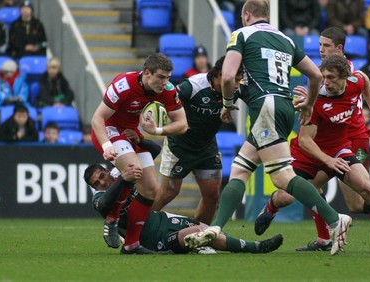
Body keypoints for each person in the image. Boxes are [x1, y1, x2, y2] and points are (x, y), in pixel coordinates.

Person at [184, 0, 352, 256]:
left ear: (247, 15)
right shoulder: (285, 39)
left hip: (265, 107)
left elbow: (228, 76)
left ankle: (334, 219)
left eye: (243, 18)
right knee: (240, 170)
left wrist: (227, 104)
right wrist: (309, 103)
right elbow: (316, 76)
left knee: (282, 176)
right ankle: (215, 229)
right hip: (283, 107)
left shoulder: (241, 34)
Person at [256, 26, 370, 252]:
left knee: (360, 199)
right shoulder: (317, 95)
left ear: (339, 50)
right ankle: (316, 235)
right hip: (317, 147)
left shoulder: (350, 77)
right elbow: (306, 136)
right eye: (319, 45)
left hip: (352, 139)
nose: (320, 50)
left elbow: (363, 80)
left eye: (326, 46)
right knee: (291, 196)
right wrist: (307, 101)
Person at [90, 53, 188, 254]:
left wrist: (157, 131)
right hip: (109, 130)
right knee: (134, 170)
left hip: (131, 134)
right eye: (161, 77)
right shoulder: (123, 85)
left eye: (168, 77)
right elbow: (97, 119)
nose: (165, 82)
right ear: (146, 73)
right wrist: (107, 146)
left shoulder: (167, 90)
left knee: (151, 189)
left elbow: (182, 124)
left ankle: (131, 245)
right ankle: (112, 219)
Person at [84, 163, 284, 255]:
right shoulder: (101, 198)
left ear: (106, 170)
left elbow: (152, 149)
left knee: (209, 229)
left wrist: (136, 139)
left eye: (103, 175)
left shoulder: (121, 176)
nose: (103, 181)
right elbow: (104, 204)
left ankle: (207, 245)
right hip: (154, 241)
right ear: (94, 188)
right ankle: (255, 248)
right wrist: (122, 180)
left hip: (165, 220)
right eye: (97, 182)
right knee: (202, 233)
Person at [152, 56, 242, 224]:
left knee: (212, 195)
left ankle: (198, 238)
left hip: (207, 148)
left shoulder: (236, 89)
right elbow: (166, 100)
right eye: (234, 79)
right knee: (168, 193)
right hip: (179, 147)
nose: (236, 84)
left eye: (239, 80)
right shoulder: (192, 86)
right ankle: (133, 228)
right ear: (220, 74)